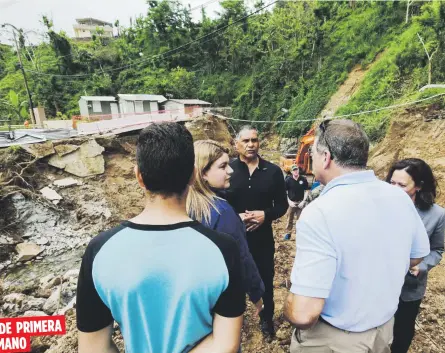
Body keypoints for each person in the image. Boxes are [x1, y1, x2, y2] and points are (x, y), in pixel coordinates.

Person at [76, 123, 245, 353]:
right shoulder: (224, 250)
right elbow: (226, 344)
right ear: (193, 175)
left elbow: (93, 347)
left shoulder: (99, 251)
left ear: (139, 177)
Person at [283, 119, 430, 353]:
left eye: (312, 152)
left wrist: (288, 304)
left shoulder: (320, 212)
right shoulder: (399, 197)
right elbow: (416, 257)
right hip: (382, 332)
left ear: (326, 156)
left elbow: (303, 314)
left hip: (334, 340)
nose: (310, 158)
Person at [186, 139, 265, 316]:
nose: (230, 171)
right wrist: (257, 294)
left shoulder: (183, 206)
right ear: (202, 173)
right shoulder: (222, 212)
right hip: (220, 298)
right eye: (223, 166)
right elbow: (242, 258)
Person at [226, 125, 287, 338]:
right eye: (246, 141)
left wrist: (265, 215)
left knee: (265, 280)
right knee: (233, 280)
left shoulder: (273, 171)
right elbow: (218, 203)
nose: (251, 144)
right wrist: (237, 218)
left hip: (262, 239)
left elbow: (282, 205)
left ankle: (266, 320)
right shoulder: (229, 170)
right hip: (233, 238)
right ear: (237, 145)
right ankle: (234, 320)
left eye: (254, 140)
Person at [386, 158, 445, 353]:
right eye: (392, 183)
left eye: (401, 185)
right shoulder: (380, 207)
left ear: (419, 186)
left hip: (409, 288)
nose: (394, 189)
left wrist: (422, 265)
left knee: (401, 333)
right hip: (378, 284)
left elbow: (437, 249)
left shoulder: (436, 215)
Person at [284, 165, 309, 240]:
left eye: (297, 169)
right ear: (291, 172)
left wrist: (303, 201)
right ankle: (288, 233)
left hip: (301, 203)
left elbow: (307, 190)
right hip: (291, 203)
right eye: (294, 170)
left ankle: (299, 234)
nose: (296, 171)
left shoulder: (303, 179)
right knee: (289, 219)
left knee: (300, 219)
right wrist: (289, 201)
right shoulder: (288, 180)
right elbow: (285, 192)